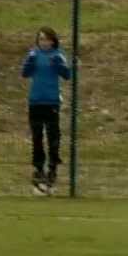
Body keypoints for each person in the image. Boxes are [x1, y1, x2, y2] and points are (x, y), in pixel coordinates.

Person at [21, 26, 72, 195]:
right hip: (35, 101)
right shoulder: (34, 54)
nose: (43, 42)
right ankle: (38, 169)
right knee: (36, 137)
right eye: (40, 39)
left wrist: (60, 66)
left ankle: (52, 169)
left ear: (52, 41)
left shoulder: (58, 54)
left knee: (53, 137)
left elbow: (67, 74)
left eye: (46, 39)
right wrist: (29, 63)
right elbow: (25, 73)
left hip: (51, 102)